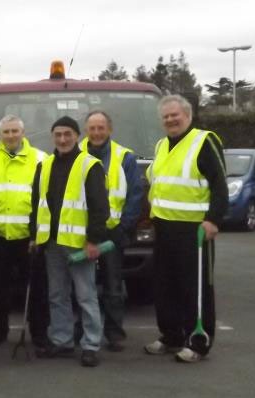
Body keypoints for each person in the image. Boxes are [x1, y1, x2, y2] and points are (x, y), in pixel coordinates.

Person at [144, 95, 227, 363]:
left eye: (175, 115)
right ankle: (171, 336)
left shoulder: (204, 141)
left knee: (196, 287)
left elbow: (220, 184)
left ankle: (198, 341)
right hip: (164, 227)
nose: (170, 120)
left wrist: (214, 219)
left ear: (188, 116)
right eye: (166, 116)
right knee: (165, 286)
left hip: (194, 230)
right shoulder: (160, 145)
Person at [30, 116, 109, 367]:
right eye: (58, 135)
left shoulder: (90, 165)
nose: (62, 139)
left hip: (79, 244)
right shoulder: (45, 165)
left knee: (86, 295)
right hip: (52, 243)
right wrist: (34, 235)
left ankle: (90, 344)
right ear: (52, 137)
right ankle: (62, 340)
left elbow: (100, 207)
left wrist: (94, 240)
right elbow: (37, 204)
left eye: (68, 134)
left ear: (77, 136)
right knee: (57, 294)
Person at [0, 115, 49, 347]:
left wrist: (37, 234)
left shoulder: (41, 159)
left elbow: (46, 199)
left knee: (37, 289)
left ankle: (39, 333)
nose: (10, 136)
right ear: (1, 134)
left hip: (28, 237)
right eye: (6, 132)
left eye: (14, 131)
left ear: (23, 132)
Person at [79, 111, 143, 352]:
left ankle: (114, 333)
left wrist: (124, 226)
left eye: (100, 128)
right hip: (81, 232)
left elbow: (135, 195)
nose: (96, 133)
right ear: (86, 130)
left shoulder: (124, 157)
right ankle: (81, 329)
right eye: (92, 128)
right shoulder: (76, 153)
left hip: (113, 232)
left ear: (109, 129)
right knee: (82, 286)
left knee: (113, 286)